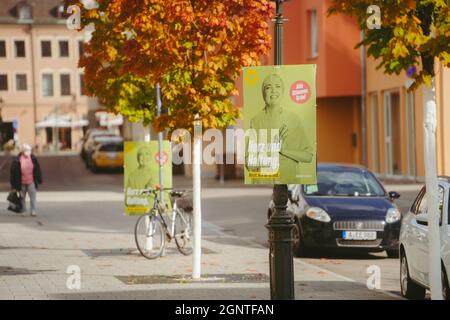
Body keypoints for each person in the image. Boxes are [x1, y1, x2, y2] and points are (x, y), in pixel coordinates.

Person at [246, 73, 313, 184]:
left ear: (283, 91)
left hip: (288, 184)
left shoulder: (293, 119)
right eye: (268, 87)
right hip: (264, 185)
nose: (273, 91)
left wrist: (284, 151)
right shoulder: (256, 121)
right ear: (263, 93)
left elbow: (308, 156)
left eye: (277, 86)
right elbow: (249, 164)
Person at [10, 144, 42, 217]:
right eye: (26, 151)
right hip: (21, 182)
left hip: (31, 181)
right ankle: (23, 211)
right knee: (22, 198)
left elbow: (37, 169)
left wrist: (39, 179)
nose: (28, 152)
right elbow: (13, 172)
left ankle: (33, 211)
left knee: (33, 197)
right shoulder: (17, 159)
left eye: (29, 150)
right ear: (22, 151)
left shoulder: (33, 158)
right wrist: (13, 183)